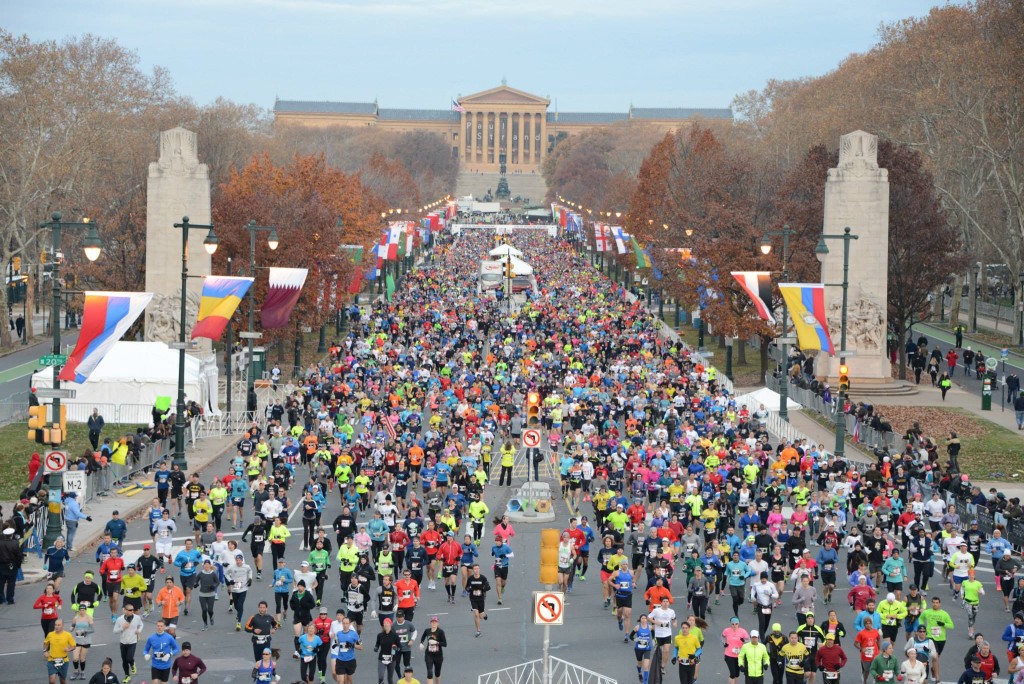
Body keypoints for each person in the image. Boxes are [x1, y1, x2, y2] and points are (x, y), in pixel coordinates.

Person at [112, 603, 143, 683]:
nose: (132, 611)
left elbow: (141, 625)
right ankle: (127, 675)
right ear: (125, 610)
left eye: (132, 610)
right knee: (124, 661)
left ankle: (132, 664)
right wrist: (122, 628)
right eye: (129, 610)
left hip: (133, 642)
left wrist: (139, 630)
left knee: (129, 658)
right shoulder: (120, 619)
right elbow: (115, 631)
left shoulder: (137, 618)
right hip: (123, 642)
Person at [142, 619, 180, 684]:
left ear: (164, 627)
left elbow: (176, 648)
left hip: (166, 665)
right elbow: (146, 650)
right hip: (155, 665)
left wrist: (169, 654)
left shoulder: (169, 637)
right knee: (155, 682)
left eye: (161, 626)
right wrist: (145, 654)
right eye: (158, 626)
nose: (159, 628)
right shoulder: (151, 638)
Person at [330, 615, 361, 684]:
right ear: (342, 624)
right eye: (343, 623)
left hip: (350, 660)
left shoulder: (354, 634)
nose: (345, 625)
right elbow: (337, 642)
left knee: (349, 681)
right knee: (341, 681)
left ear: (349, 624)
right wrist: (335, 645)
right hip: (340, 660)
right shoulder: (339, 633)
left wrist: (352, 645)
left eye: (347, 623)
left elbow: (361, 647)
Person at [45, 618, 77, 684]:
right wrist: (45, 651)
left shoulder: (68, 635)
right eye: (55, 625)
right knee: (52, 680)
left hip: (64, 661)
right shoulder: (50, 634)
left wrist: (69, 649)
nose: (56, 626)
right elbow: (45, 643)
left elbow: (73, 646)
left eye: (59, 625)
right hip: (52, 660)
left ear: (63, 626)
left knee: (62, 680)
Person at [672, 619, 702, 684]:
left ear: (689, 629)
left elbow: (699, 649)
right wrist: (674, 657)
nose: (684, 629)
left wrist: (694, 655)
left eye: (686, 628)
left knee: (690, 682)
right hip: (682, 664)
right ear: (681, 629)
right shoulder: (677, 638)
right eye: (683, 628)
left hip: (691, 663)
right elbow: (676, 648)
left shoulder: (694, 638)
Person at [419, 615, 447, 684]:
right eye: (432, 622)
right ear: (430, 623)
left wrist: (436, 642)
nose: (434, 623)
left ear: (438, 623)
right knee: (430, 673)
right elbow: (423, 637)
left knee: (437, 673)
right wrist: (421, 643)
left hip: (438, 656)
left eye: (435, 622)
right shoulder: (427, 631)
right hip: (429, 655)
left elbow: (445, 644)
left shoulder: (440, 632)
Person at [466, 563, 491, 638]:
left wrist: (483, 589)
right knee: (476, 614)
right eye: (475, 569)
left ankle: (484, 615)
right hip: (473, 599)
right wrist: (470, 590)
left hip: (481, 598)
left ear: (479, 569)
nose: (476, 570)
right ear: (473, 570)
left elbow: (488, 587)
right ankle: (478, 631)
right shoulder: (470, 578)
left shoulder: (483, 578)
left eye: (478, 569)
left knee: (481, 615)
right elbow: (466, 587)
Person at [628, 614, 655, 684]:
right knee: (640, 664)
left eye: (645, 618)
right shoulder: (637, 627)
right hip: (638, 649)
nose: (643, 620)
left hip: (647, 648)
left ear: (646, 620)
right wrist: (635, 639)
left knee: (646, 666)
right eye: (642, 618)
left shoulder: (650, 627)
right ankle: (640, 673)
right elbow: (630, 636)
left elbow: (653, 634)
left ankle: (645, 682)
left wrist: (653, 641)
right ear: (640, 620)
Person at [374, 617, 401, 684]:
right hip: (382, 658)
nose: (385, 624)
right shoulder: (380, 635)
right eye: (384, 623)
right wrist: (376, 648)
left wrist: (396, 648)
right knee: (380, 677)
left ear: (390, 624)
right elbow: (377, 644)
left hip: (391, 659)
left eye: (387, 623)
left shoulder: (395, 635)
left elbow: (400, 647)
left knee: (390, 678)